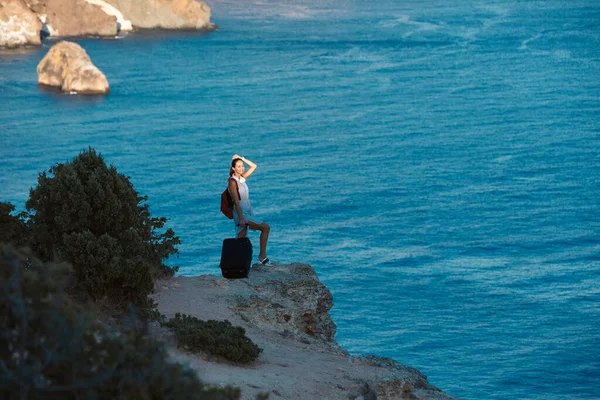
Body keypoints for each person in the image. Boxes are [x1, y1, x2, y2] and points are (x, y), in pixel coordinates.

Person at [228, 154, 271, 265]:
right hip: (241, 214)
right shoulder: (232, 182)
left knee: (240, 239)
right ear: (233, 168)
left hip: (246, 212)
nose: (241, 168)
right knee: (265, 228)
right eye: (238, 166)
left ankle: (235, 263)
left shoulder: (241, 179)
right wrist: (241, 218)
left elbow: (254, 166)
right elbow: (236, 201)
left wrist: (242, 159)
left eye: (242, 166)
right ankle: (262, 256)